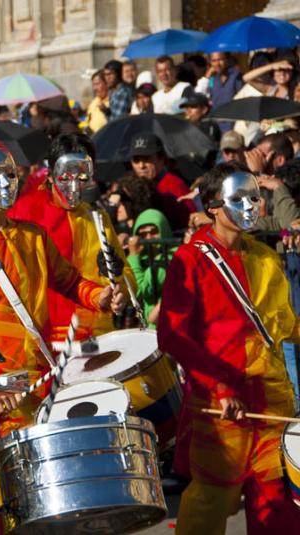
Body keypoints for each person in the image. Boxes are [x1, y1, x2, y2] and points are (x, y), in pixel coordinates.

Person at [0, 141, 126, 435]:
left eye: (10, 175)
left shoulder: (33, 236)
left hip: (42, 378)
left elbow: (70, 281)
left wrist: (100, 297)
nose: (5, 184)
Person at [158, 162, 300, 533]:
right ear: (213, 207)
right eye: (239, 198)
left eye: (255, 196)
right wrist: (220, 389)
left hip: (270, 401)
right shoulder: (189, 260)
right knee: (211, 499)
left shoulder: (265, 257)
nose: (252, 205)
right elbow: (172, 335)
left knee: (274, 502)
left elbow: (285, 326)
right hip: (221, 406)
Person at [8, 133, 135, 342]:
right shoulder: (24, 215)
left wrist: (118, 287)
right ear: (50, 175)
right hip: (46, 340)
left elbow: (126, 277)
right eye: (66, 177)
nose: (74, 186)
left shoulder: (97, 218)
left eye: (83, 176)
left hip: (97, 335)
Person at [129, 133, 194, 229]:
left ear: (161, 159)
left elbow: (189, 223)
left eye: (147, 159)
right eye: (136, 160)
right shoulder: (129, 187)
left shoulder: (174, 185)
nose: (141, 166)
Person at [126, 208, 174, 327]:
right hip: (151, 328)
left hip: (167, 327)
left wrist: (133, 256)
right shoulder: (143, 258)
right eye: (142, 234)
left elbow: (141, 290)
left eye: (153, 232)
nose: (148, 237)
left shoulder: (170, 257)